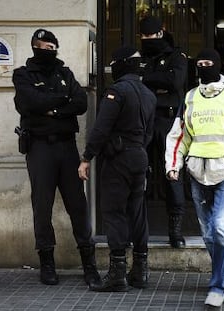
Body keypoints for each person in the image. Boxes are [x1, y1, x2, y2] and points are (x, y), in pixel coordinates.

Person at [165, 48, 224, 308]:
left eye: (209, 63)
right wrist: (173, 165)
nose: (204, 67)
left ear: (218, 66)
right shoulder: (190, 97)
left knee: (220, 228)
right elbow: (179, 134)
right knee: (209, 234)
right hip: (198, 173)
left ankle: (217, 286)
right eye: (200, 64)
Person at [12, 29, 100, 287]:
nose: (48, 51)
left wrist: (50, 108)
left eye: (52, 47)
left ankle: (89, 266)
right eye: (43, 47)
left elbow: (81, 103)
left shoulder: (65, 73)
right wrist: (60, 104)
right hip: (40, 148)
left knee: (78, 206)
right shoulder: (23, 75)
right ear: (34, 47)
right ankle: (47, 265)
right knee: (42, 207)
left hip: (66, 148)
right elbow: (28, 103)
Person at [78, 46, 156, 292]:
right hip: (139, 156)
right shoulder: (148, 94)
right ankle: (140, 272)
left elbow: (101, 128)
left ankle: (117, 275)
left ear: (120, 65)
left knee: (114, 212)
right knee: (137, 212)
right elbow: (149, 133)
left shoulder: (117, 92)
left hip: (118, 159)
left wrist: (87, 157)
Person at [139, 15, 188, 248]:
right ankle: (137, 229)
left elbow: (175, 81)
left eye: (152, 35)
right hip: (144, 121)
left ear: (162, 32)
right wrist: (159, 81)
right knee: (139, 174)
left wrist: (147, 79)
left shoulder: (176, 57)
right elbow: (131, 81)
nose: (148, 40)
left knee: (172, 175)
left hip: (168, 122)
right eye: (144, 36)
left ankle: (175, 232)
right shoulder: (138, 58)